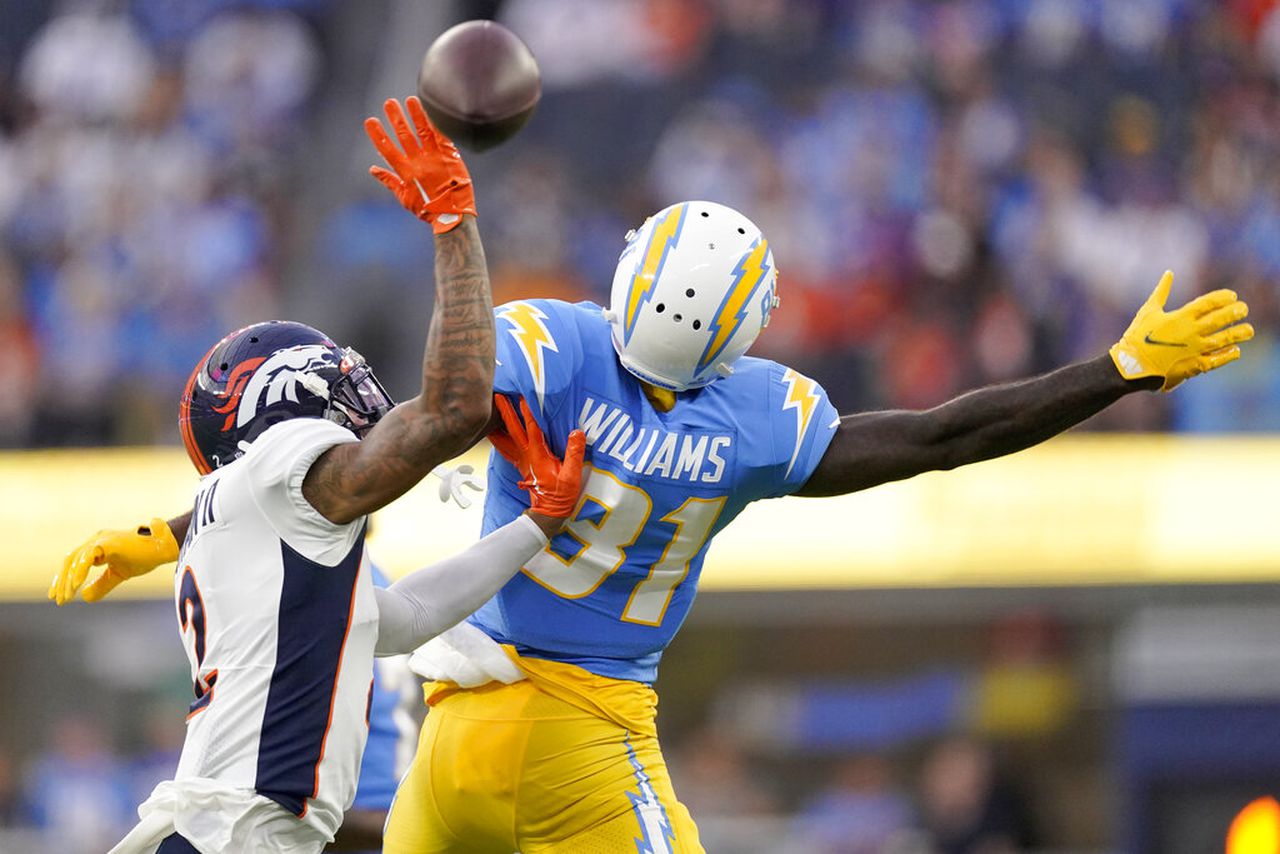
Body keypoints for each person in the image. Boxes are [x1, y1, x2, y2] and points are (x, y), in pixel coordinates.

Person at [59, 203, 1254, 849]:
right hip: (587, 735)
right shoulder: (753, 418)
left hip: (451, 734)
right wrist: (1112, 370)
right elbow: (943, 434)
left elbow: (365, 459)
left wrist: (173, 530)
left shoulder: (550, 345)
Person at [48, 97, 587, 854]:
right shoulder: (279, 467)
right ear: (279, 399)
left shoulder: (276, 524)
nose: (356, 389)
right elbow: (452, 413)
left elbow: (401, 620)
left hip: (226, 832)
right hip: (236, 834)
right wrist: (454, 225)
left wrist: (536, 526)